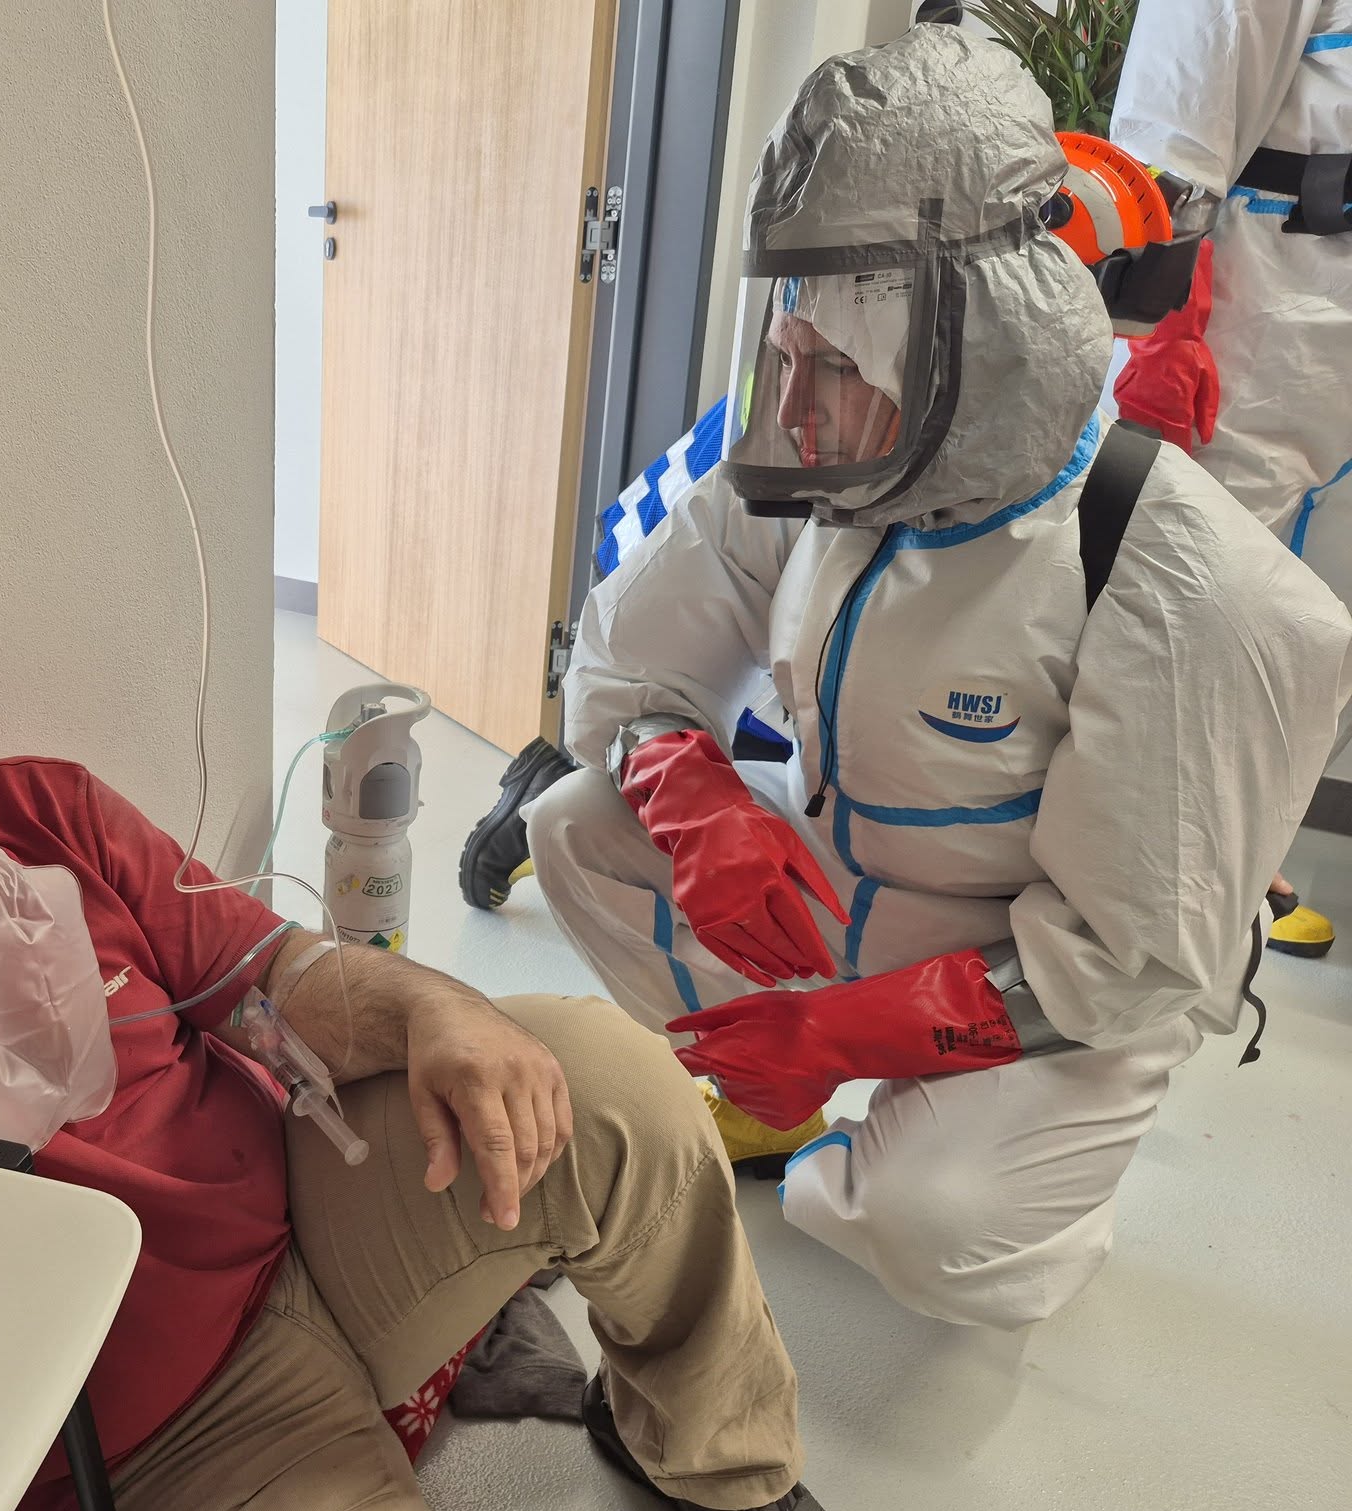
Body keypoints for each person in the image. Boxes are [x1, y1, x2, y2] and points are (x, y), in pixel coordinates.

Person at [0, 568, 841, 1511]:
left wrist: (439, 1011)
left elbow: (272, 977)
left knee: (605, 1080)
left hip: (312, 1225)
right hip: (174, 1433)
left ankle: (722, 1470)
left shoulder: (33, 811)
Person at [525, 24, 1352, 1330]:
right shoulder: (823, 453)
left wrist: (835, 1036)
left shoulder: (1168, 571)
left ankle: (1011, 1179)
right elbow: (631, 666)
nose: (794, 400)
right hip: (846, 881)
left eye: (835, 366)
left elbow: (1118, 960)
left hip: (1040, 963)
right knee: (577, 827)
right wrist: (693, 801)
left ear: (976, 354)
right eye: (787, 349)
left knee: (933, 1223)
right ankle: (770, 1097)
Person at [1109, 0, 1352, 959]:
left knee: (1318, 624)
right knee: (1202, 601)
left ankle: (1243, 855)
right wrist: (1164, 331)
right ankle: (1153, 884)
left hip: (1330, 336)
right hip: (1262, 323)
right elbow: (1171, 135)